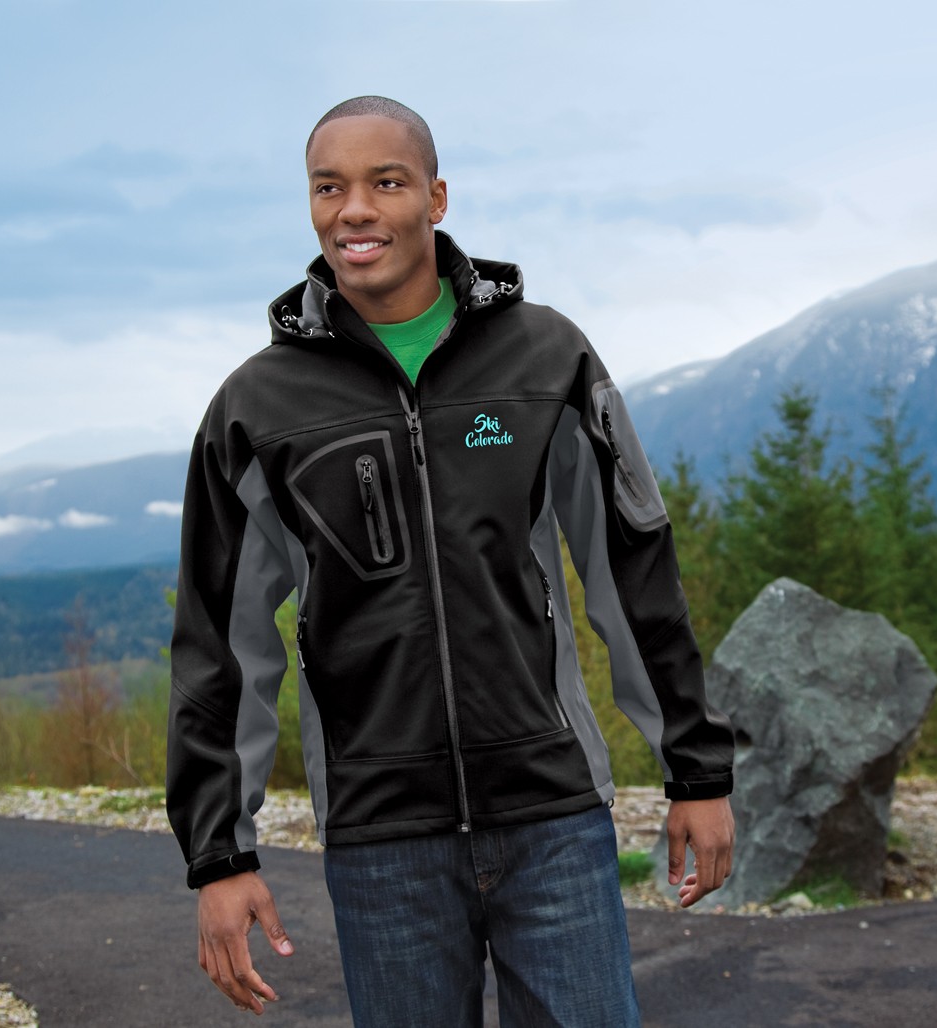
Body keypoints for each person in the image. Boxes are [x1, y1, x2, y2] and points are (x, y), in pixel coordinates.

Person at [166, 95, 736, 1026]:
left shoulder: (546, 357)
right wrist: (220, 856)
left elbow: (632, 569)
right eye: (329, 187)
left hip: (551, 812)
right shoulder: (255, 408)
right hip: (380, 833)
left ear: (434, 197)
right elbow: (220, 648)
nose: (355, 209)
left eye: (384, 183)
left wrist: (697, 770)